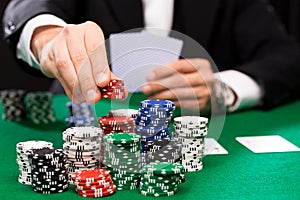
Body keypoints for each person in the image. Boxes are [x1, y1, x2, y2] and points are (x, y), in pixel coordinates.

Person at [2, 0, 300, 113]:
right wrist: (47, 38)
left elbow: (286, 57)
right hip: (82, 116)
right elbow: (30, 8)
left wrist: (222, 89)